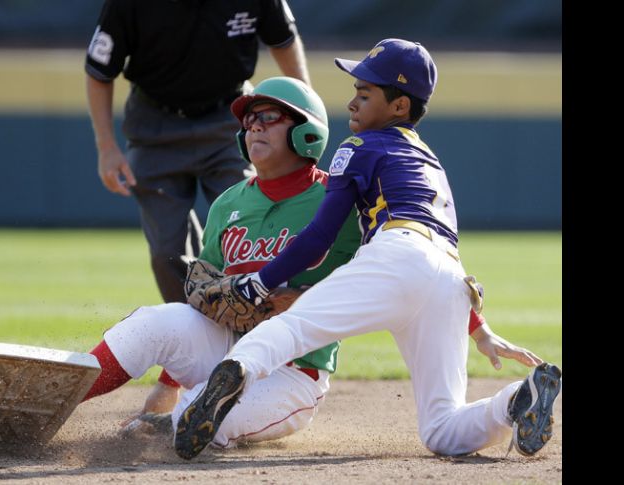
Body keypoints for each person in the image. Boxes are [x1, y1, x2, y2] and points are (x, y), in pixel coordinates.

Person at [81, 76, 543, 452]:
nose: (253, 128)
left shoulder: (338, 197)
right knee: (151, 322)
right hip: (226, 344)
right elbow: (206, 295)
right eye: (248, 122)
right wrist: (170, 380)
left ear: (307, 132)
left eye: (269, 117)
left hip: (292, 372)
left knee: (194, 421)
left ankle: (173, 425)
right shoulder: (227, 204)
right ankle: (55, 398)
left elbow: (407, 265)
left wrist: (476, 325)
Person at [174, 39, 562, 460]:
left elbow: (320, 235)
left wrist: (258, 283)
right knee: (441, 429)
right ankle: (513, 401)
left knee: (295, 326)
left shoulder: (359, 147)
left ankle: (238, 371)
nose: (352, 103)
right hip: (451, 281)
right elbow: (435, 257)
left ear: (398, 107)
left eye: (364, 94)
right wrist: (480, 330)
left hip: (395, 255)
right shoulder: (431, 161)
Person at [84, 0, 311, 305]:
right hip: (155, 125)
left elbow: (283, 40)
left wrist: (306, 110)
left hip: (230, 117)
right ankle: (192, 331)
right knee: (168, 252)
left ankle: (261, 330)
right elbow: (99, 72)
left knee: (252, 225)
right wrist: (106, 147)